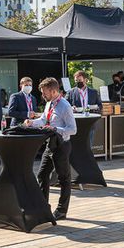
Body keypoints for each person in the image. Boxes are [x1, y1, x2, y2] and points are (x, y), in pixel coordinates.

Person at [25, 77, 77, 220]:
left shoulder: (65, 106)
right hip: (50, 144)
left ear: (54, 91)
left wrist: (55, 128)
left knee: (64, 179)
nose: (43, 95)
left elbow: (73, 129)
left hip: (62, 145)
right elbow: (43, 120)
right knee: (42, 175)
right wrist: (31, 123)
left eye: (45, 93)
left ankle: (61, 210)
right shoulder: (49, 104)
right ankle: (43, 207)